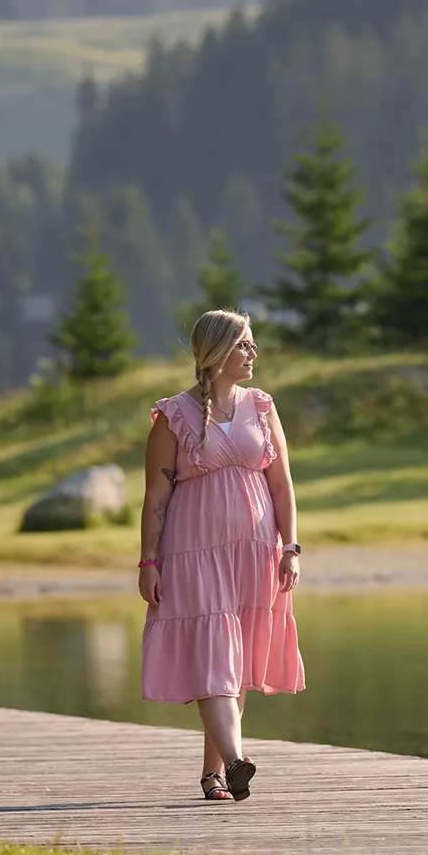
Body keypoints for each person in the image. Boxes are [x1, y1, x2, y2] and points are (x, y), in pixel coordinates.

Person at [138, 309, 304, 801]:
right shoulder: (173, 416)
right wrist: (148, 562)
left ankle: (216, 774)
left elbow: (282, 484)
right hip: (193, 552)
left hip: (255, 550)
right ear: (217, 353)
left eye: (253, 345)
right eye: (244, 345)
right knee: (215, 656)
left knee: (238, 661)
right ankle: (236, 760)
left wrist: (291, 547)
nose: (253, 354)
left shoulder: (262, 406)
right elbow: (155, 498)